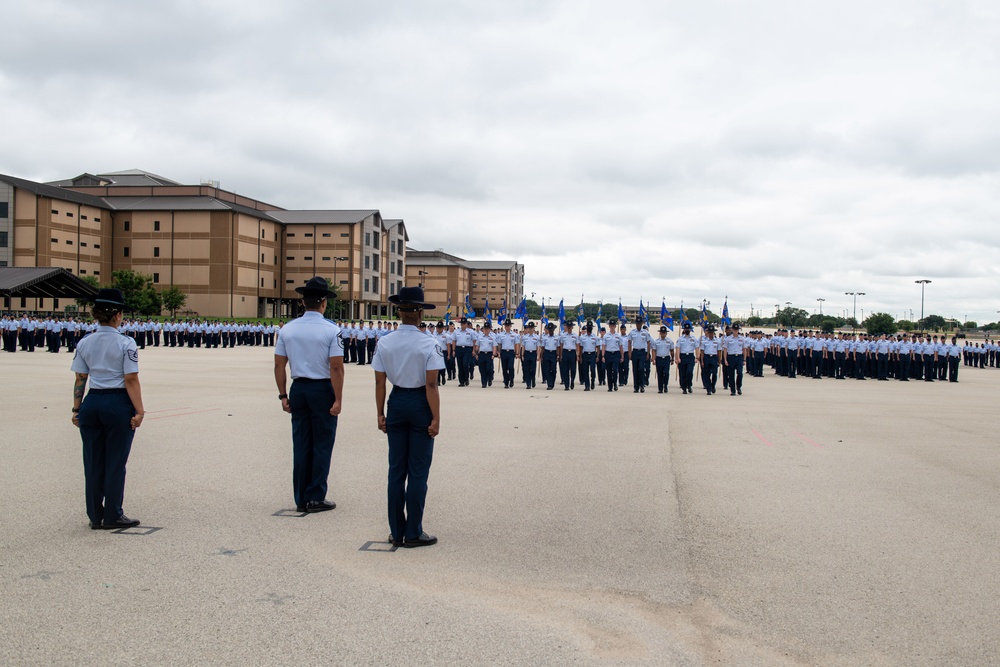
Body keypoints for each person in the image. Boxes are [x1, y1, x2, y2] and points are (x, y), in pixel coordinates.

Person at [372, 286, 443, 548]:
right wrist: (436, 418)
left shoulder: (385, 342)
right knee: (418, 472)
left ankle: (396, 530)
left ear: (399, 311)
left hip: (396, 401)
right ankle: (413, 531)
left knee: (396, 471)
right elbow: (431, 385)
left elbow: (380, 383)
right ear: (420, 312)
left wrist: (380, 413)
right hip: (420, 403)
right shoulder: (429, 343)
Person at [70, 288, 146, 530]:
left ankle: (95, 515)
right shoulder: (126, 343)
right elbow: (131, 379)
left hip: (92, 403)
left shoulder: (85, 341)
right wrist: (140, 410)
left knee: (92, 461)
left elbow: (81, 377)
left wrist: (76, 409)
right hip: (116, 402)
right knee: (115, 461)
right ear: (118, 315)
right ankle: (112, 513)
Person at [273, 277, 345, 514]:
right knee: (322, 443)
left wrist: (283, 395)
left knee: (301, 442)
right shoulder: (333, 331)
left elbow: (279, 365)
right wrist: (338, 398)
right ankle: (316, 495)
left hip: (299, 388)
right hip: (322, 388)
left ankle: (301, 497)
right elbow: (336, 368)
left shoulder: (287, 329)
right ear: (323, 302)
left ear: (303, 302)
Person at [652, 325, 675, 393]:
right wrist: (654, 359)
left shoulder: (669, 341)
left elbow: (672, 350)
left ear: (666, 333)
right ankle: (660, 388)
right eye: (662, 332)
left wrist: (672, 359)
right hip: (659, 358)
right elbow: (654, 350)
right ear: (660, 333)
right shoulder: (656, 341)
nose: (663, 334)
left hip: (666, 358)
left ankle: (665, 385)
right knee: (660, 373)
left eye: (664, 332)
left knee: (666, 373)